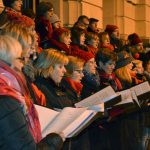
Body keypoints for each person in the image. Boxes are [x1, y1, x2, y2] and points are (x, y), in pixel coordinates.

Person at [0, 35, 64, 149]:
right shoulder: (6, 98)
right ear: (8, 60)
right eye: (20, 58)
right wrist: (54, 142)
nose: (23, 64)